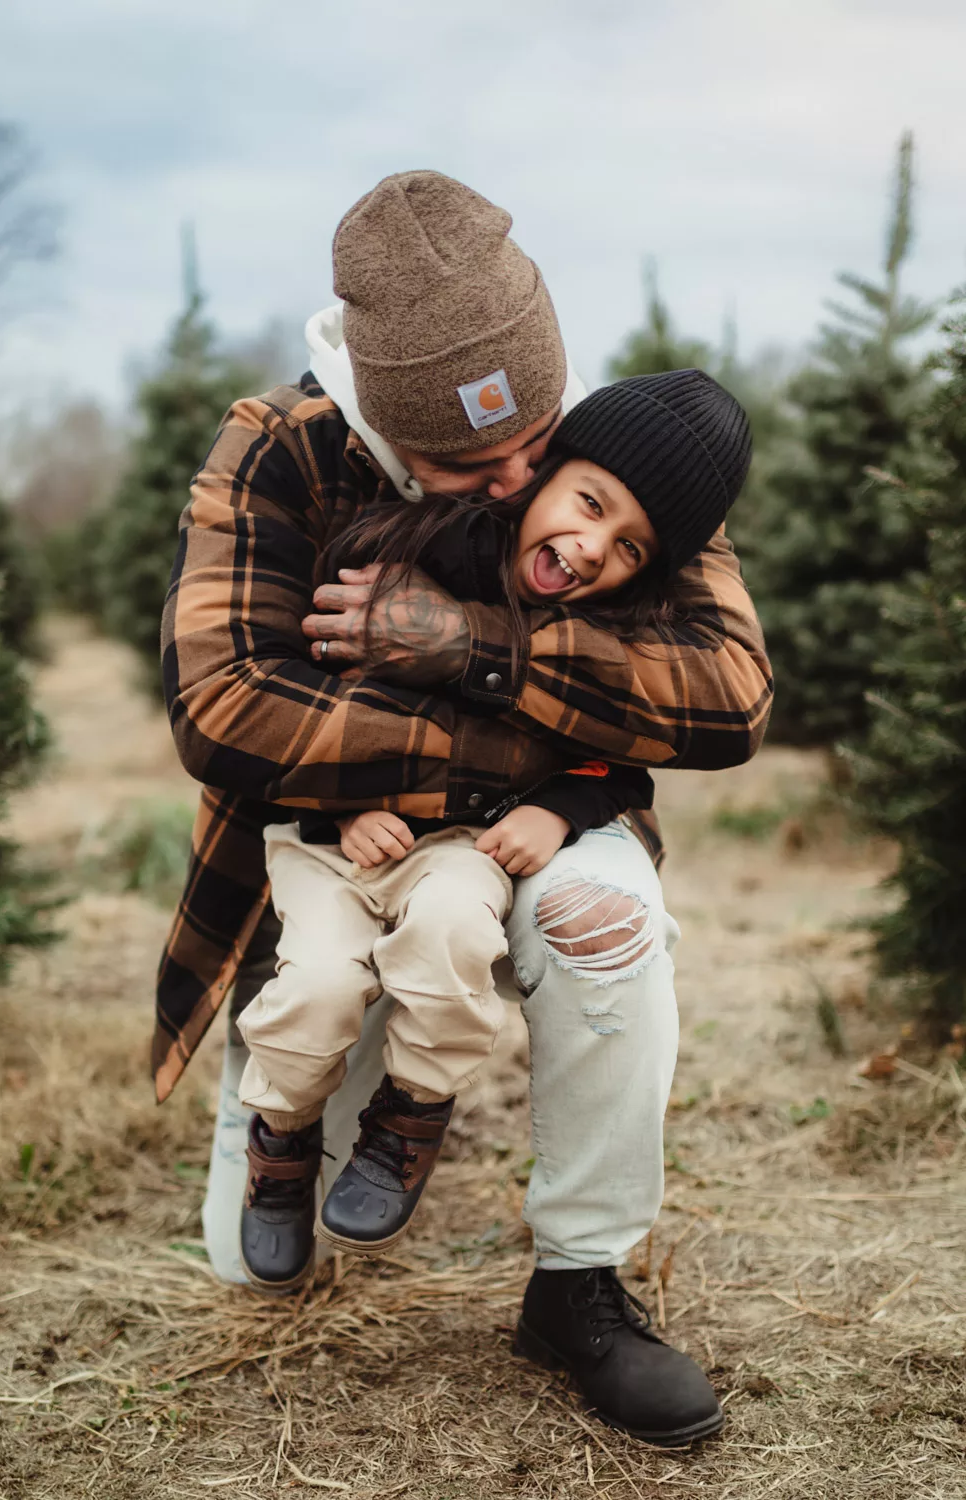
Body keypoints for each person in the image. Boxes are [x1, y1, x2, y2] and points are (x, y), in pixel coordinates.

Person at [156, 170, 772, 1447]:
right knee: (249, 1263)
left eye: (530, 447)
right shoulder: (278, 445)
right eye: (464, 460)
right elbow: (221, 709)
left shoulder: (609, 452)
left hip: (538, 830)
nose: (512, 484)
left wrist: (477, 648)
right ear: (383, 420)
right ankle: (291, 1116)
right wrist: (488, 740)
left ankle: (578, 1286)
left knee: (607, 919)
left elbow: (728, 696)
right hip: (337, 844)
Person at [237, 370, 752, 1281]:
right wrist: (341, 801)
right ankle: (277, 1143)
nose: (594, 548)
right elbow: (293, 697)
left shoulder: (600, 629)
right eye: (589, 504)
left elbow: (634, 753)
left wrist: (559, 806)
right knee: (313, 987)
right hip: (333, 841)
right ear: (546, 472)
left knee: (450, 942)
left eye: (630, 548)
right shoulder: (403, 549)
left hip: (459, 847)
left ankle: (408, 1119)